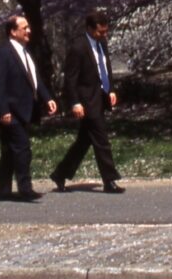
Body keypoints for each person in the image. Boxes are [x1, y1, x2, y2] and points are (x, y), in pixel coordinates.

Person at [49, 10, 124, 194]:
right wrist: (74, 102)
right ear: (90, 29)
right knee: (101, 139)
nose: (103, 35)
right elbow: (71, 79)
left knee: (84, 141)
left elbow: (105, 67)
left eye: (105, 32)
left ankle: (60, 173)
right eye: (100, 32)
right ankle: (109, 180)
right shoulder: (78, 47)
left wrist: (110, 89)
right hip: (86, 100)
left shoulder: (102, 43)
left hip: (100, 97)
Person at [0, 14, 57, 201]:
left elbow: (34, 79)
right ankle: (25, 189)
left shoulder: (26, 52)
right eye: (24, 28)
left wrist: (46, 98)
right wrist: (3, 110)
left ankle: (2, 191)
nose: (29, 31)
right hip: (10, 111)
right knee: (22, 148)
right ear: (13, 31)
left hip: (24, 110)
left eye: (28, 27)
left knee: (11, 150)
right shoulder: (2, 53)